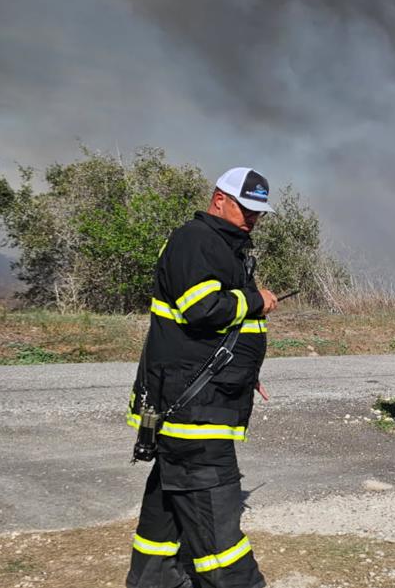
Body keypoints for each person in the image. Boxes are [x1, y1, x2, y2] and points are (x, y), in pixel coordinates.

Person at [125, 167, 279, 588]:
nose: (252, 219)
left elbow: (219, 334)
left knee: (170, 498)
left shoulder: (225, 246)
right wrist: (256, 299)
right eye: (245, 209)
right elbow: (202, 308)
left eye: (258, 213)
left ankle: (154, 580)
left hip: (201, 395)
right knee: (215, 513)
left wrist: (247, 372)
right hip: (192, 407)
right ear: (219, 199)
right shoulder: (195, 240)